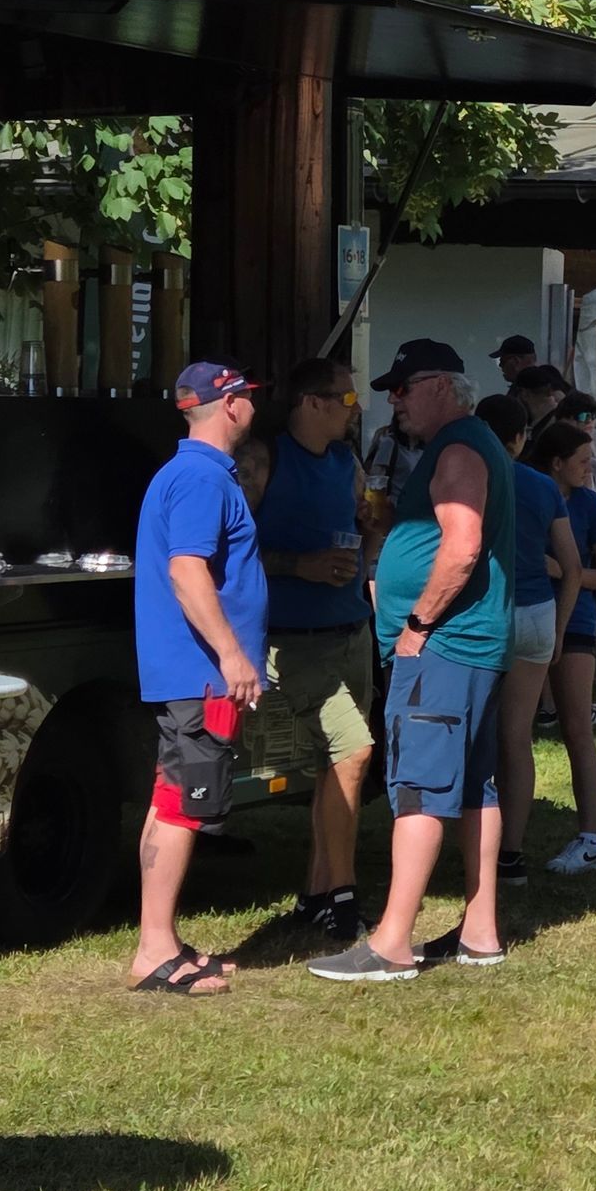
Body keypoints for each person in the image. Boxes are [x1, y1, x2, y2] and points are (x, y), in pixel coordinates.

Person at [309, 339, 515, 981]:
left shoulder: (457, 449)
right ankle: (480, 932)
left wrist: (417, 625)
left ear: (442, 387)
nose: (393, 401)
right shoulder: (469, 445)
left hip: (445, 646)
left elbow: (463, 544)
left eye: (403, 388)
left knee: (419, 789)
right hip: (473, 645)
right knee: (476, 786)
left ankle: (393, 943)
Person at [128, 362, 267, 994]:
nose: (254, 407)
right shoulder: (201, 478)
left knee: (170, 797)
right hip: (201, 675)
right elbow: (187, 572)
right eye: (247, 397)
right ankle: (155, 952)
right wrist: (232, 656)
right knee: (185, 804)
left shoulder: (192, 472)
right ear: (229, 405)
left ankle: (161, 940)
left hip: (192, 674)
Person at [238, 357, 376, 946]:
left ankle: (316, 895)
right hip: (293, 642)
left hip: (352, 632)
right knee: (354, 753)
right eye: (345, 399)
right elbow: (228, 553)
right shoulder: (262, 461)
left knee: (335, 767)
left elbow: (368, 531)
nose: (355, 408)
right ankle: (344, 901)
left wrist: (373, 525)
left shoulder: (348, 463)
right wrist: (300, 566)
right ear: (311, 403)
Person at [476, 392, 580, 886]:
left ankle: (473, 847)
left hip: (483, 614)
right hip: (537, 614)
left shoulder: (471, 478)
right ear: (520, 438)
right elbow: (573, 568)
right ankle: (510, 853)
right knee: (516, 738)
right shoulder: (542, 486)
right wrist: (559, 631)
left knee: (477, 737)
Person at [528, 419, 596, 873]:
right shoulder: (528, 496)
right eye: (583, 461)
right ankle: (504, 834)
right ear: (556, 463)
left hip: (577, 622)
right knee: (511, 731)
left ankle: (590, 838)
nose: (590, 468)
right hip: (524, 616)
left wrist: (564, 570)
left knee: (577, 727)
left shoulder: (590, 504)